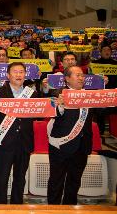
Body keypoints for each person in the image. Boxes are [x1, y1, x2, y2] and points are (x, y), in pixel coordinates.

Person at [0, 62, 38, 204]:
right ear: (8, 75)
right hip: (5, 142)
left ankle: (17, 206)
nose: (18, 75)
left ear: (25, 75)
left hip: (25, 142)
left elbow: (40, 114)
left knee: (20, 177)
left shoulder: (33, 93)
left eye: (21, 72)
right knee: (2, 177)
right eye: (15, 72)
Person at [47, 66, 93, 205]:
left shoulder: (90, 95)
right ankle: (53, 209)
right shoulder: (57, 93)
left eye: (82, 75)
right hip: (61, 145)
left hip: (82, 146)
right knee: (56, 180)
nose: (81, 78)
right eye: (77, 75)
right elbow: (50, 113)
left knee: (74, 181)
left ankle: (70, 208)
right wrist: (60, 106)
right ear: (67, 78)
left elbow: (103, 112)